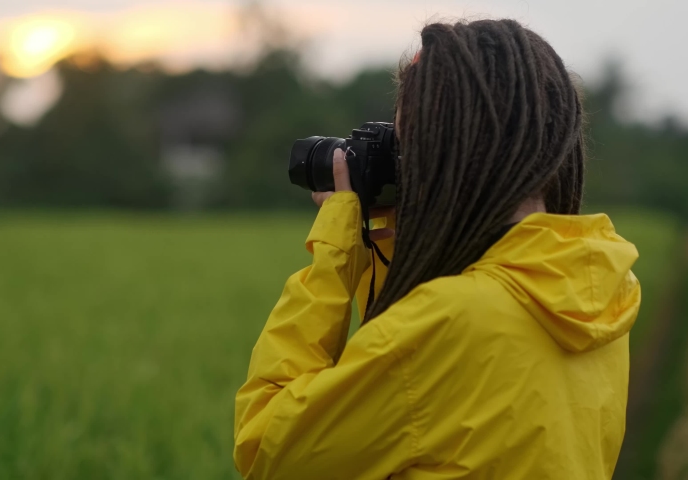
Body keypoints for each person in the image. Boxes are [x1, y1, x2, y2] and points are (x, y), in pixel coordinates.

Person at [233, 18, 640, 480]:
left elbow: (267, 449)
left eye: (409, 150)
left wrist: (338, 253)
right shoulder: (601, 292)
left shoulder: (445, 322)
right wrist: (412, 245)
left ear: (442, 158)